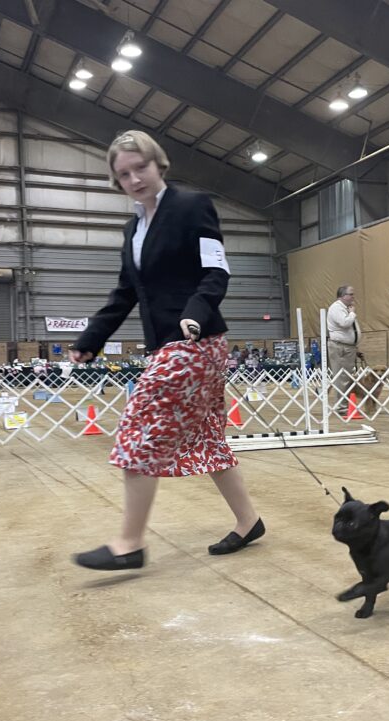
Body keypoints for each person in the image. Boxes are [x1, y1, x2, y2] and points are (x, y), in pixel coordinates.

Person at [69, 130, 261, 571]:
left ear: (159, 164)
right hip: (166, 346)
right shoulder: (132, 229)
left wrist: (194, 313)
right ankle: (248, 521)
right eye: (123, 174)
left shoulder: (192, 206)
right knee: (208, 439)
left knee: (138, 431)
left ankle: (129, 543)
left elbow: (216, 271)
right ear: (116, 181)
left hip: (196, 341)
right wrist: (90, 340)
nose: (134, 178)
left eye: (141, 167)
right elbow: (125, 292)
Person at [327, 285, 362, 412]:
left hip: (348, 347)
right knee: (341, 378)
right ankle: (342, 407)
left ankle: (345, 405)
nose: (353, 296)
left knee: (346, 377)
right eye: (350, 294)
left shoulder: (345, 308)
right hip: (340, 347)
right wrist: (352, 313)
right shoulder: (336, 308)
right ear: (342, 296)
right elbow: (345, 323)